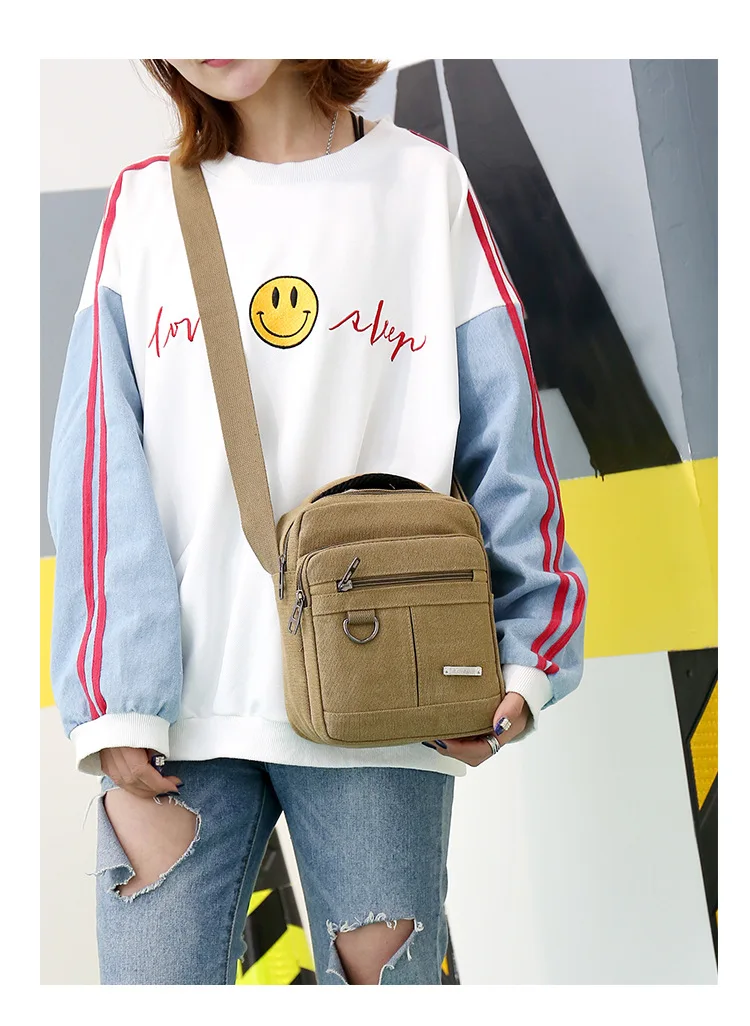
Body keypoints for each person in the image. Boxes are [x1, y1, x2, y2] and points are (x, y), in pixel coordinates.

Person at [47, 59, 587, 986]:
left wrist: (527, 655)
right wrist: (112, 693)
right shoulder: (144, 206)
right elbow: (98, 457)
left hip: (383, 696)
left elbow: (508, 437)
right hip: (173, 712)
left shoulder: (423, 186)